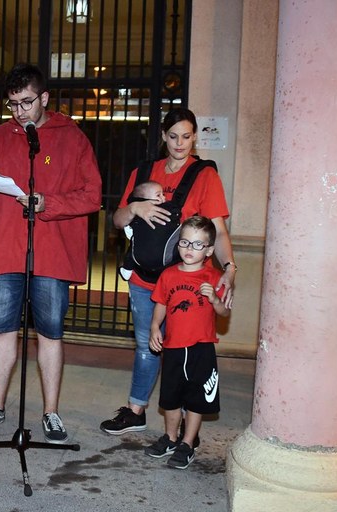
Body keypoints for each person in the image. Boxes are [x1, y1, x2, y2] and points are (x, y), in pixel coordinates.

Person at [0, 63, 102, 443]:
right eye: (12, 104)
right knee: (2, 330)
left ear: (44, 98)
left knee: (50, 333)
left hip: (51, 252)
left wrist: (46, 203)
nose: (19, 112)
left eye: (26, 102)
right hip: (6, 248)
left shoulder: (72, 137)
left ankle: (51, 413)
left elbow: (92, 196)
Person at [100, 107, 237, 436]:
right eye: (173, 136)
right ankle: (136, 410)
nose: (180, 143)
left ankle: (188, 425)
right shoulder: (144, 171)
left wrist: (229, 268)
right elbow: (117, 221)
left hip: (186, 284)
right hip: (144, 279)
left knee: (188, 349)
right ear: (163, 137)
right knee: (148, 344)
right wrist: (134, 207)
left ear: (195, 137)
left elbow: (217, 229)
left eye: (187, 136)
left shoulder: (204, 175)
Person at [144, 216, 229, 469]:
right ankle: (170, 438)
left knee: (196, 399)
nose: (189, 249)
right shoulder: (168, 275)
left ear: (210, 250)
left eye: (197, 245)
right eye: (185, 242)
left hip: (201, 348)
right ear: (178, 244)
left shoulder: (214, 277)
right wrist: (153, 328)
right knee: (169, 398)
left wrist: (214, 299)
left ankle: (188, 443)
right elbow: (161, 303)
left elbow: (224, 312)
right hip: (172, 347)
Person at [119, 181, 165, 280]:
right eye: (158, 195)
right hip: (141, 248)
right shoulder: (137, 213)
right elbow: (127, 226)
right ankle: (127, 269)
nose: (163, 197)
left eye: (163, 194)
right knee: (132, 250)